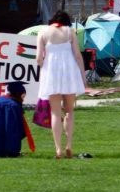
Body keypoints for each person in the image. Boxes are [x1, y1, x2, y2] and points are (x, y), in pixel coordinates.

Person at [36, 10, 86, 159]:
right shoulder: (70, 32)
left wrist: (42, 66)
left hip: (52, 73)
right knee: (69, 111)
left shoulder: (43, 32)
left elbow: (38, 58)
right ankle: (69, 144)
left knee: (55, 113)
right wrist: (83, 76)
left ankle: (58, 149)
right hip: (69, 72)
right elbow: (78, 55)